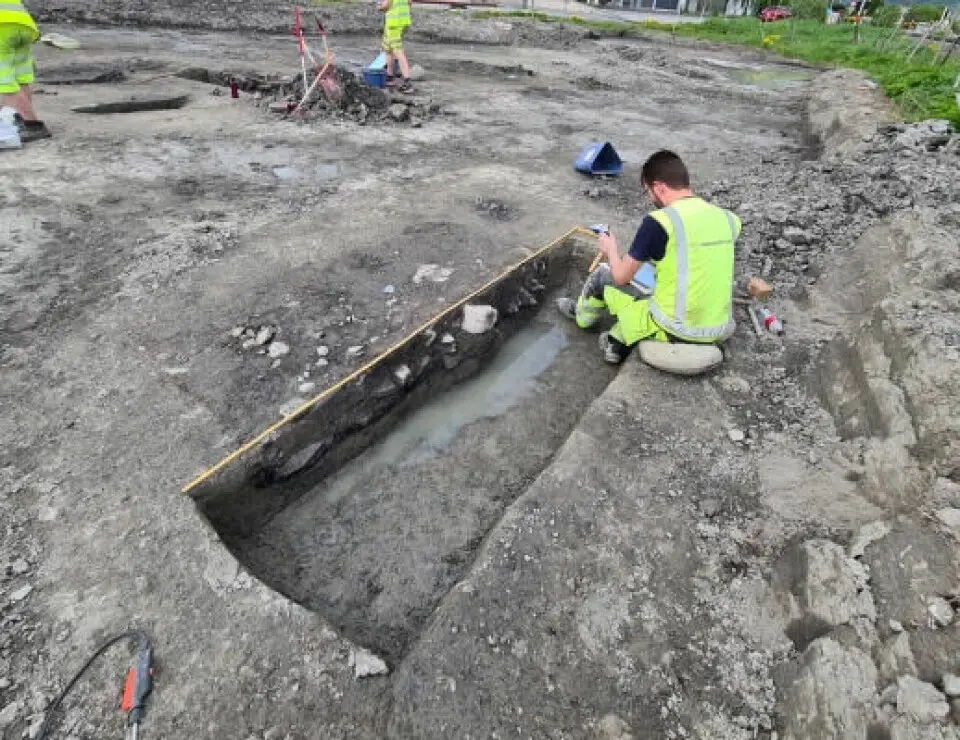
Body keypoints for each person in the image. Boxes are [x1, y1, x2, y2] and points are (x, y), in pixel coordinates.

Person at [557, 150, 740, 364]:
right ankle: (619, 339)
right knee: (653, 272)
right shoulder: (729, 219)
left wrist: (611, 249)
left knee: (602, 275)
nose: (649, 198)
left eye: (648, 191)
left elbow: (621, 277)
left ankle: (583, 319)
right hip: (717, 326)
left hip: (675, 327)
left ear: (659, 187)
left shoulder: (659, 222)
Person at [0, 0, 50, 144]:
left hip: (3, 29)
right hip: (25, 27)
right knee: (20, 78)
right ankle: (21, 120)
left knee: (5, 83)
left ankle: (31, 124)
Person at [379, 0, 413, 93]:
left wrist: (380, 7)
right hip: (402, 22)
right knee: (388, 49)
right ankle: (390, 77)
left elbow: (386, 5)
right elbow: (410, 2)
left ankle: (407, 82)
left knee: (398, 51)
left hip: (394, 23)